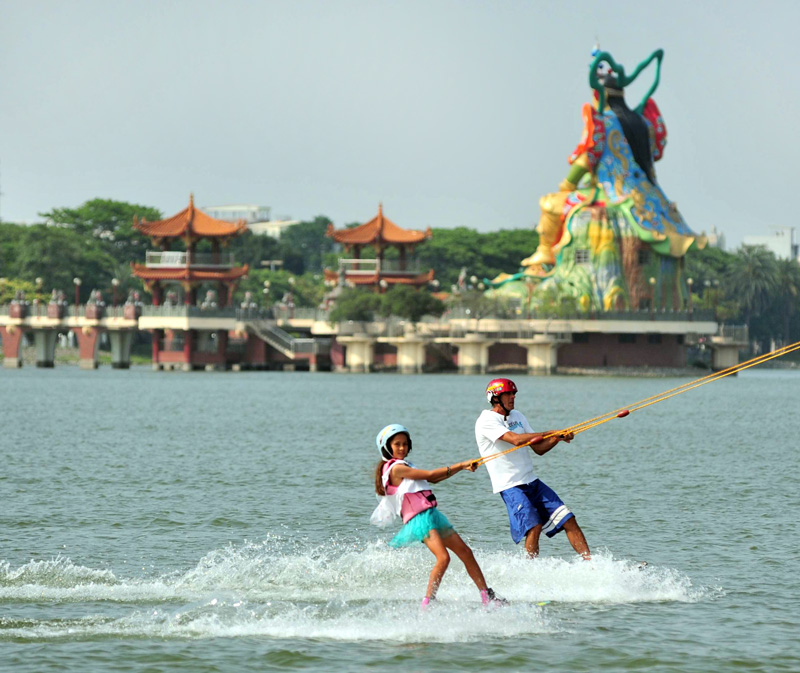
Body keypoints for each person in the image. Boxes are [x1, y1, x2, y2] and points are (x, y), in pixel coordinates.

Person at [370, 423, 505, 609]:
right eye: (397, 444)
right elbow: (432, 474)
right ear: (387, 447)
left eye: (405, 444)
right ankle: (427, 604)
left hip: (431, 515)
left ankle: (486, 597)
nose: (402, 448)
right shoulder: (395, 469)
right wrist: (462, 464)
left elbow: (434, 479)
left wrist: (462, 468)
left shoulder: (404, 465)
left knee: (466, 553)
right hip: (420, 520)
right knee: (444, 558)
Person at [474, 378, 591, 560]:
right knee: (533, 526)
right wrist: (550, 432)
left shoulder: (518, 416)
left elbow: (538, 448)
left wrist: (557, 438)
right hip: (510, 486)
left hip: (532, 481)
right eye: (509, 394)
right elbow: (516, 440)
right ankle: (531, 569)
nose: (513, 397)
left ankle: (591, 564)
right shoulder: (486, 420)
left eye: (514, 394)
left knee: (569, 519)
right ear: (496, 398)